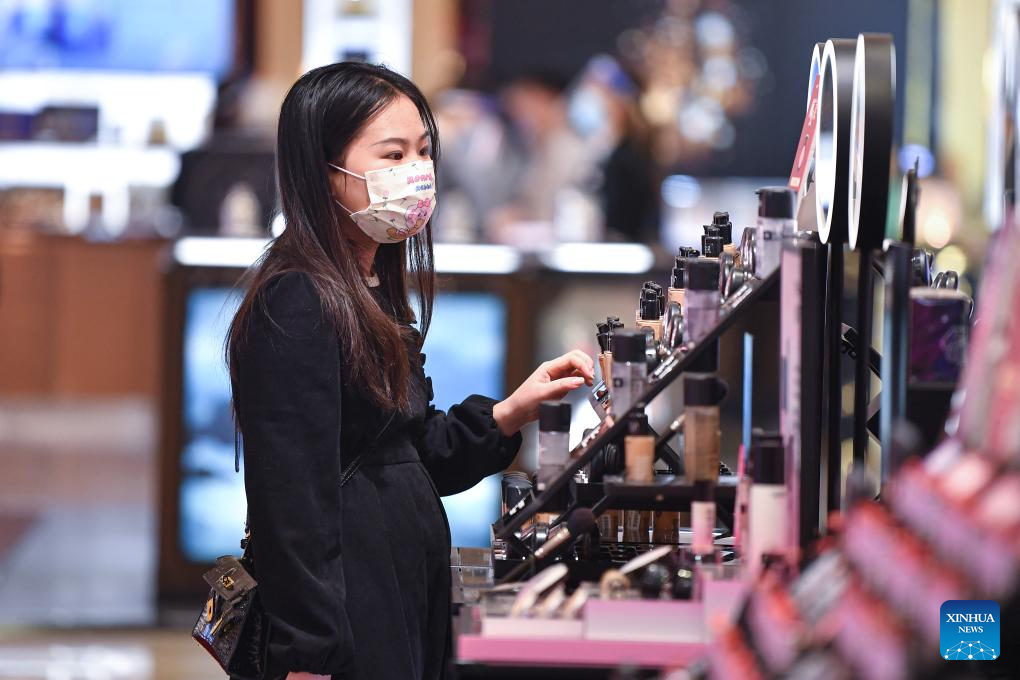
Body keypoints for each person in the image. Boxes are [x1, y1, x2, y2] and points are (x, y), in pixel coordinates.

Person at [225, 62, 594, 680]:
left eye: (423, 151)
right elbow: (291, 499)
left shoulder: (369, 288)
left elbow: (409, 455)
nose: (417, 171)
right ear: (325, 171)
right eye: (393, 155)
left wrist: (509, 413)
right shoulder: (297, 299)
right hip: (351, 614)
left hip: (400, 591)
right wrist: (309, 652)